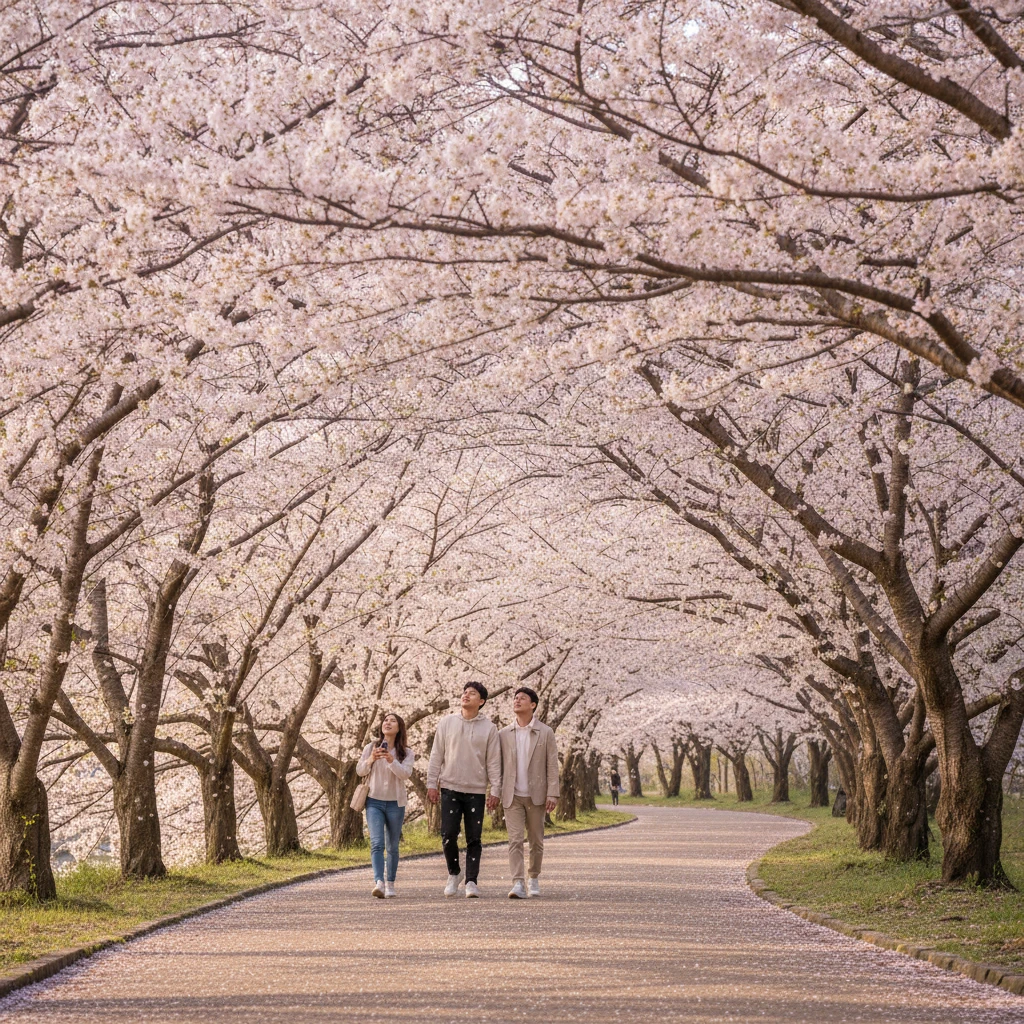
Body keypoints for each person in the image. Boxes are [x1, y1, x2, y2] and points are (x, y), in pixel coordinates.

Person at [426, 681, 501, 898]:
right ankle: (454, 873)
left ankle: (471, 881)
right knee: (448, 834)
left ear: (482, 701)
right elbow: (436, 755)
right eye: (465, 692)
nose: (466, 695)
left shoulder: (489, 728)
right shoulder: (447, 722)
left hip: (476, 790)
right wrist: (432, 783)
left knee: (474, 837)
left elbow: (494, 762)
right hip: (450, 786)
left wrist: (495, 790)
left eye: (472, 693)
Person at [497, 686, 559, 899]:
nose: (517, 700)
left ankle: (533, 876)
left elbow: (552, 764)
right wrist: (495, 792)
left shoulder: (546, 732)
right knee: (514, 840)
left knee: (536, 839)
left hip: (537, 794)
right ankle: (518, 883)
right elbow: (498, 767)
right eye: (515, 698)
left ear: (533, 705)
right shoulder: (503, 734)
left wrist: (553, 793)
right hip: (511, 795)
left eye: (522, 698)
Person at [356, 712, 415, 899]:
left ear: (399, 728)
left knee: (392, 846)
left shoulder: (407, 752)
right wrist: (371, 759)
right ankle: (378, 882)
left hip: (395, 803)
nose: (387, 723)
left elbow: (405, 774)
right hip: (374, 800)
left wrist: (391, 760)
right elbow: (360, 770)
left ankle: (390, 883)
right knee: (376, 843)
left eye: (393, 721)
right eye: (385, 720)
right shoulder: (371, 747)